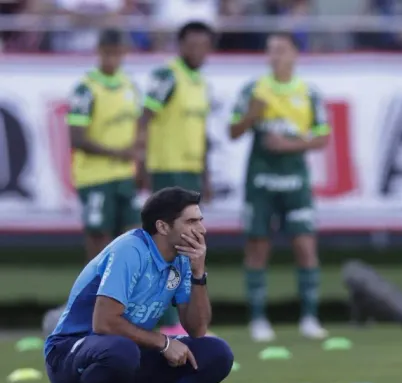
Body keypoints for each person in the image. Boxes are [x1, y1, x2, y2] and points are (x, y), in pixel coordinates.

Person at [44, 187, 234, 383]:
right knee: (121, 349)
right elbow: (104, 323)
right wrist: (164, 342)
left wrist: (198, 272)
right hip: (67, 357)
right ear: (163, 226)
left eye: (200, 220)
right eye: (192, 221)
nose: (201, 229)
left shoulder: (181, 259)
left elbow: (197, 328)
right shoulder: (130, 250)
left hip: (121, 356)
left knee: (216, 353)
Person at [229, 32, 330, 342]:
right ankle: (258, 320)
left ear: (294, 55)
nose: (275, 56)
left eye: (281, 50)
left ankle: (310, 318)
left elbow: (323, 138)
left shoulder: (308, 93)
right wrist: (251, 116)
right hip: (260, 182)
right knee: (258, 248)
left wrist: (288, 144)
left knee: (305, 247)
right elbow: (233, 131)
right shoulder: (253, 90)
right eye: (271, 50)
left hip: (295, 181)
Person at [138, 21, 213, 336]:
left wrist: (205, 172)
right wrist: (140, 163)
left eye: (203, 45)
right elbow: (145, 118)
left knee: (191, 247)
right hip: (167, 170)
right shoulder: (167, 76)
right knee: (167, 245)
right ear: (180, 45)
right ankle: (165, 320)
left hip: (190, 171)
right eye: (192, 45)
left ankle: (181, 318)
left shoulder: (200, 83)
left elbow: (200, 134)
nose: (197, 51)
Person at [68, 27, 141, 262]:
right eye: (108, 53)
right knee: (99, 238)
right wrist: (117, 152)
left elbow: (138, 129)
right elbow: (76, 138)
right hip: (94, 177)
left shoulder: (129, 86)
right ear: (98, 52)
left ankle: (122, 296)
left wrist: (141, 159)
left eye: (117, 54)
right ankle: (93, 295)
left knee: (130, 237)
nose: (112, 59)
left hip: (124, 174)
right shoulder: (85, 89)